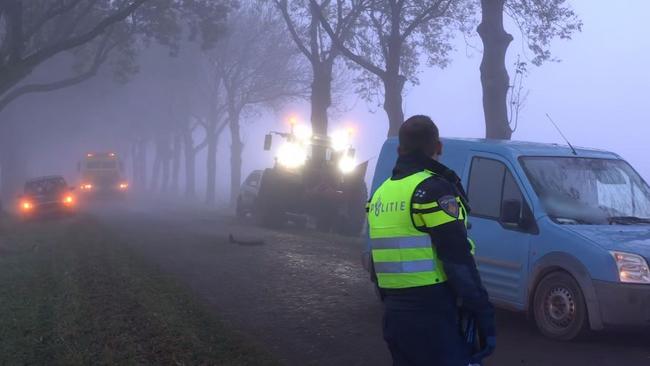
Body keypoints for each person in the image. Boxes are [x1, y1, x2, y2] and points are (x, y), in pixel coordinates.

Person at [367, 115, 496, 366]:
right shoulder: (433, 190)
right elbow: (457, 257)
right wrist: (482, 310)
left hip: (394, 311)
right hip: (431, 312)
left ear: (399, 149)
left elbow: (379, 258)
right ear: (438, 147)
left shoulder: (381, 194)